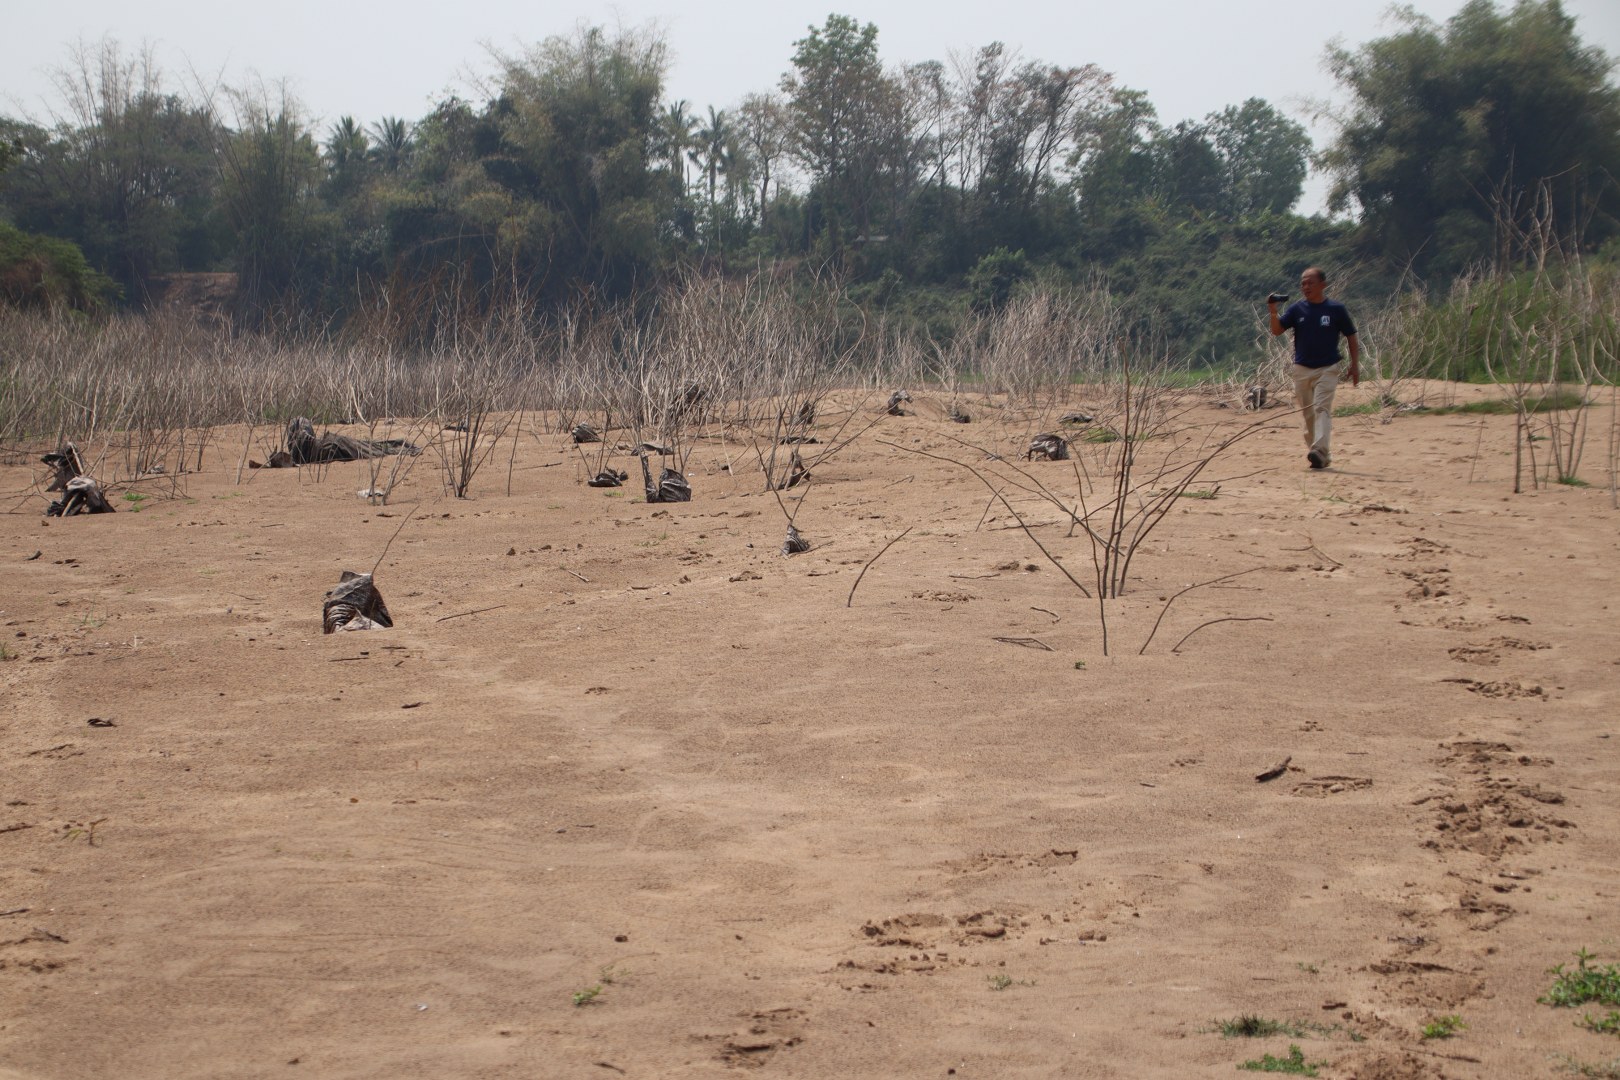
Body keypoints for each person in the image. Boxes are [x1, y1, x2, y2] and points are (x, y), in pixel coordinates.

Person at [1269, 267, 1359, 469]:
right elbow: (1276, 331)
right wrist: (1273, 311)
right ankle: (1319, 455)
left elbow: (1351, 336)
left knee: (1321, 408)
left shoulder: (1336, 309)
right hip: (1302, 369)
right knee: (1308, 413)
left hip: (1328, 368)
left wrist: (1355, 365)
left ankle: (1319, 450)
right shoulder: (1296, 309)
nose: (1306, 286)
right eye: (1303, 283)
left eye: (1310, 282)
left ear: (1323, 285)